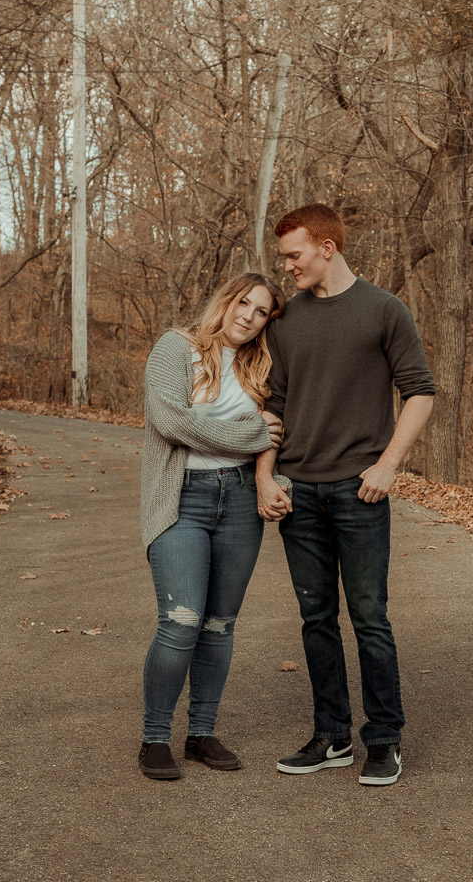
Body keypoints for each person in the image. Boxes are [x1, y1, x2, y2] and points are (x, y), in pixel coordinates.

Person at [255, 203, 435, 787]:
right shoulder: (285, 321)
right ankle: (331, 736)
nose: (288, 267)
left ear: (326, 247)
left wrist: (387, 465)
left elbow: (420, 391)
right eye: (285, 258)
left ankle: (383, 740)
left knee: (369, 617)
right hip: (299, 494)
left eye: (294, 255)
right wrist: (265, 477)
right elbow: (275, 407)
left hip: (361, 493)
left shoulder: (383, 310)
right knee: (316, 618)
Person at [138, 272, 287, 781]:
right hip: (181, 500)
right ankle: (155, 737)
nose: (249, 316)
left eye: (261, 311)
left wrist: (273, 476)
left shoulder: (260, 366)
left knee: (220, 624)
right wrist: (249, 432)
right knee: (181, 621)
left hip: (240, 501)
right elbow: (170, 421)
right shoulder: (175, 349)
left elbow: (277, 436)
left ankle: (201, 733)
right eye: (244, 303)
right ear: (226, 301)